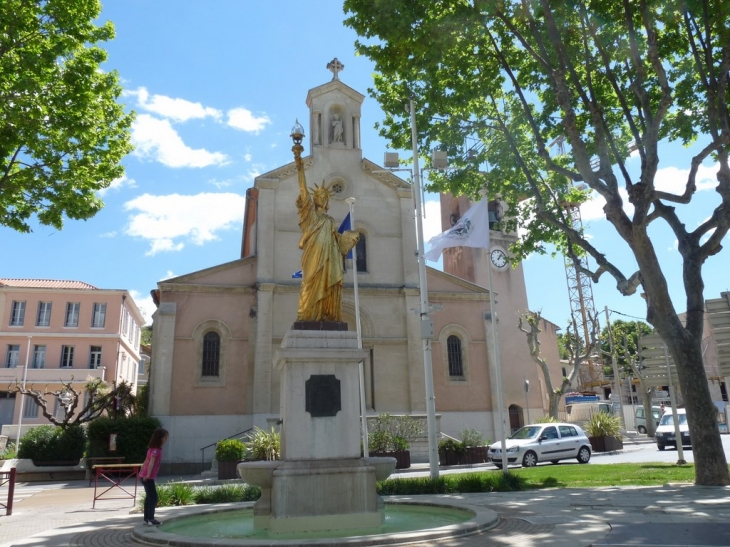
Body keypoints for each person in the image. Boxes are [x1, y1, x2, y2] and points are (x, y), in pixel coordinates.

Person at [293, 143, 358, 322]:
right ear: (314, 200)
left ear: (327, 200)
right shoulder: (309, 215)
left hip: (330, 260)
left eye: (325, 196)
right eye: (318, 196)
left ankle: (326, 316)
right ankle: (307, 316)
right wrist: (299, 164)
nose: (321, 198)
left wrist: (348, 240)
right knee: (309, 284)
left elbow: (338, 243)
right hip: (313, 259)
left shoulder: (329, 221)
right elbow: (303, 190)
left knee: (330, 287)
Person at [139, 427, 169, 526]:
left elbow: (145, 461)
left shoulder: (151, 449)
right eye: (165, 438)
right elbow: (151, 462)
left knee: (149, 497)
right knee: (153, 497)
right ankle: (151, 519)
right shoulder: (155, 450)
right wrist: (147, 474)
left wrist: (141, 471)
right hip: (148, 477)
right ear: (159, 438)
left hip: (144, 476)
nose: (165, 440)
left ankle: (147, 518)